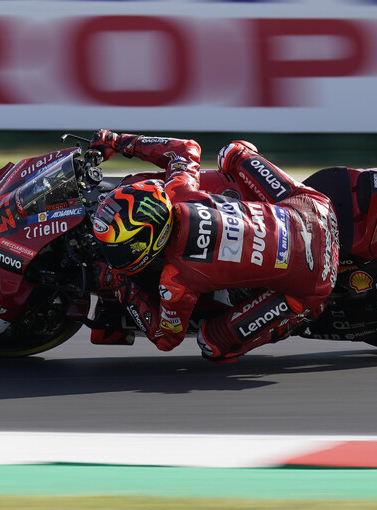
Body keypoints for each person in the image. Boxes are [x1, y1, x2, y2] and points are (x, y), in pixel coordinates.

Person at [89, 130, 339, 362]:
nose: (114, 253)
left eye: (122, 246)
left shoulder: (175, 280)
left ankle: (303, 313)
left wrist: (124, 288)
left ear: (152, 237)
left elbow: (167, 339)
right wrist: (117, 140)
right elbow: (187, 148)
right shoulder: (178, 189)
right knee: (231, 153)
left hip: (315, 279)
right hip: (316, 208)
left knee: (212, 345)